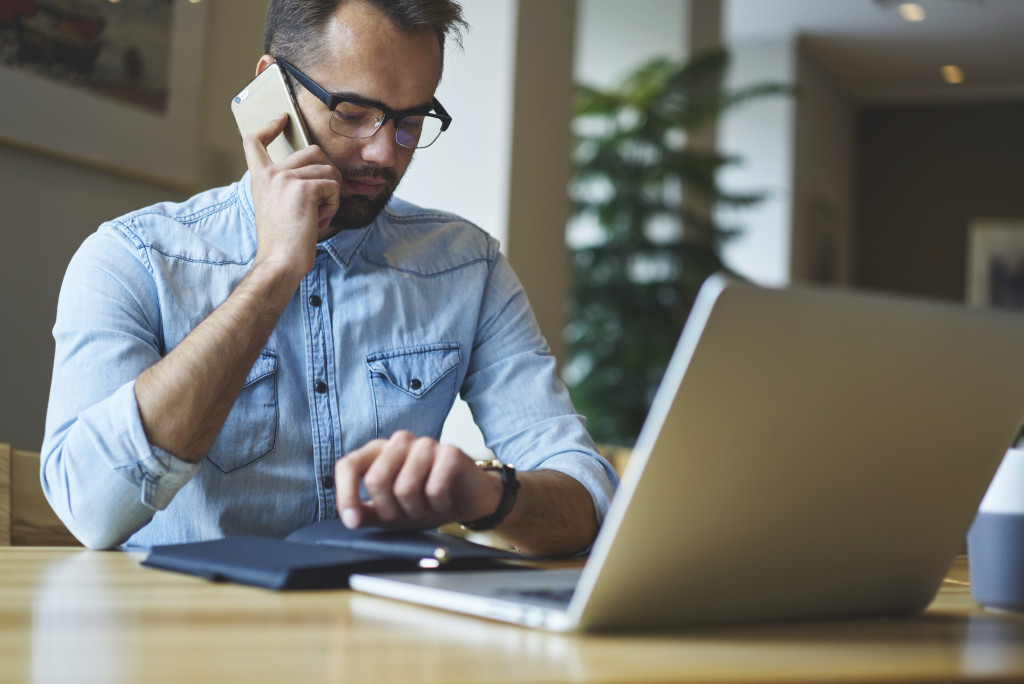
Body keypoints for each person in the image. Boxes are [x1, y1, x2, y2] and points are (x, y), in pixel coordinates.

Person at [41, 0, 618, 555]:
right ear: (272, 89)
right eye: (352, 113)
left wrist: (490, 496)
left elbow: (587, 499)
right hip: (184, 643)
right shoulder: (130, 259)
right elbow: (90, 510)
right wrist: (272, 274)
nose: (386, 152)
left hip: (378, 646)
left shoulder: (468, 266)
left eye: (411, 120)